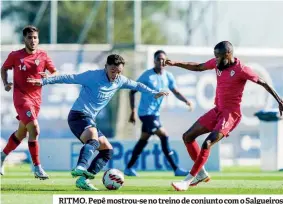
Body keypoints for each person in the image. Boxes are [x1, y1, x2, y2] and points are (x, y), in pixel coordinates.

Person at [27, 54, 168, 190]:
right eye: (113, 71)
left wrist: (153, 92)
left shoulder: (120, 80)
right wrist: (44, 81)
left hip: (89, 119)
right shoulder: (92, 76)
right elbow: (69, 77)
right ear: (106, 67)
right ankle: (80, 167)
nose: (115, 75)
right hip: (78, 115)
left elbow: (137, 85)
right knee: (93, 138)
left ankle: (84, 180)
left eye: (119, 71)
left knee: (107, 151)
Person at [165, 41, 283, 191]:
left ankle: (187, 181)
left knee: (207, 143)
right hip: (217, 110)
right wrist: (175, 63)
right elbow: (198, 66)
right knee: (187, 137)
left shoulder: (241, 69)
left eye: (219, 57)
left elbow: (263, 82)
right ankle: (201, 174)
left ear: (228, 54)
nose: (216, 60)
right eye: (215, 56)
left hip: (230, 115)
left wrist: (279, 100)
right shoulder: (217, 63)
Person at [1, 25, 58, 179]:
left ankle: (1, 156)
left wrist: (47, 78)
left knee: (22, 133)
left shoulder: (43, 56)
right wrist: (6, 83)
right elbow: (4, 68)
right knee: (35, 128)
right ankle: (37, 167)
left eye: (35, 38)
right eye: (29, 37)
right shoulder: (15, 55)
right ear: (24, 39)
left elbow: (55, 72)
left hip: (36, 100)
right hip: (21, 98)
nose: (33, 40)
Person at [124, 50, 192, 177]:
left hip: (155, 114)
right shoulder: (147, 76)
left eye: (163, 59)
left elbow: (175, 91)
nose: (161, 61)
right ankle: (176, 169)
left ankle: (128, 168)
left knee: (143, 140)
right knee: (164, 136)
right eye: (158, 59)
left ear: (166, 61)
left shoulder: (168, 76)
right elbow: (132, 91)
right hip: (145, 113)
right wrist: (132, 111)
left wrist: (186, 101)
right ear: (154, 61)